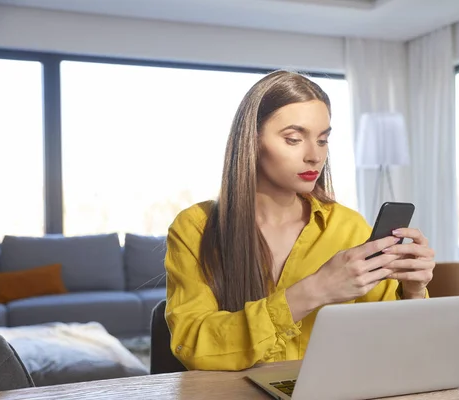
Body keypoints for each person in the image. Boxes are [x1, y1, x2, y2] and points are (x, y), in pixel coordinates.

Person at [164, 70, 435, 371]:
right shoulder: (195, 227)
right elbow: (192, 343)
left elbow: (396, 347)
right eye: (293, 139)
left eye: (322, 141)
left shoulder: (349, 227)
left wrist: (414, 290)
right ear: (251, 141)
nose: (314, 156)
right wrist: (314, 290)